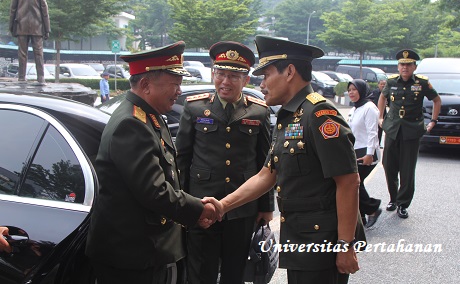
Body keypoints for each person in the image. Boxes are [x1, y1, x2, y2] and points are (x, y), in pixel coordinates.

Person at [205, 35, 361, 284]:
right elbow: (267, 174)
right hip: (301, 237)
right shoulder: (290, 117)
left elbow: (348, 181)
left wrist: (345, 244)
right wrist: (223, 206)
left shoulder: (319, 115)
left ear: (289, 72)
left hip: (322, 243)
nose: (262, 84)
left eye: (266, 75)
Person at [85, 41, 219, 284]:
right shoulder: (131, 123)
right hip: (132, 256)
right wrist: (198, 208)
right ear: (145, 84)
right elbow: (154, 190)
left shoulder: (148, 116)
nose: (179, 91)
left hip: (146, 250)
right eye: (175, 84)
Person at [175, 41, 274, 284]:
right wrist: (182, 203)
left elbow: (266, 164)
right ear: (213, 74)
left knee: (235, 270)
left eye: (233, 76)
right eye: (220, 74)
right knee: (200, 270)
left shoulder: (259, 112)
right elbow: (181, 160)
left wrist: (266, 206)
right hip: (201, 203)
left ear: (246, 80)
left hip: (242, 208)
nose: (225, 82)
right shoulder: (195, 108)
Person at [378, 49, 441, 219]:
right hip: (392, 128)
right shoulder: (391, 82)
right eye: (402, 65)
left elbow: (437, 100)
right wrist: (380, 117)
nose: (405, 68)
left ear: (414, 67)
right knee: (388, 165)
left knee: (407, 169)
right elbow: (383, 98)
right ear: (398, 67)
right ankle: (393, 198)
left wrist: (433, 121)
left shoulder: (422, 83)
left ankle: (403, 203)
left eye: (408, 65)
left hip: (412, 130)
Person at [347, 79, 382, 228]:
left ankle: (373, 208)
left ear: (362, 90)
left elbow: (373, 133)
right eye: (349, 90)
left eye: (354, 89)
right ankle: (361, 216)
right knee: (354, 183)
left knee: (353, 183)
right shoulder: (354, 109)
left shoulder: (370, 108)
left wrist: (369, 154)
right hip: (355, 151)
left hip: (368, 152)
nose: (351, 93)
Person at [9, 0, 50, 85]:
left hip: (21, 26)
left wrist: (11, 27)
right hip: (37, 27)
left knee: (22, 53)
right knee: (39, 53)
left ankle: (22, 77)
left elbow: (12, 11)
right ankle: (41, 78)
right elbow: (45, 13)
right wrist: (47, 29)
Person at [372, 79, 387, 145]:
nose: (383, 85)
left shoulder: (388, 93)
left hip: (383, 114)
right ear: (378, 85)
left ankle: (379, 143)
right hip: (374, 114)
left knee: (381, 130)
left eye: (384, 84)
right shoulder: (374, 92)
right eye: (381, 84)